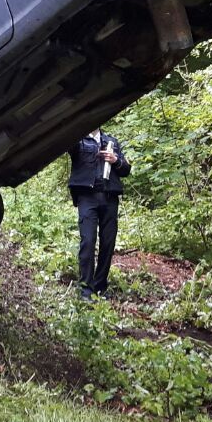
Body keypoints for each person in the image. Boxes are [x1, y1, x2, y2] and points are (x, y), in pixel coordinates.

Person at [66, 128, 131, 298]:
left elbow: (126, 169)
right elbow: (69, 148)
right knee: (88, 241)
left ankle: (100, 287)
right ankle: (86, 290)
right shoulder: (78, 141)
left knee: (108, 243)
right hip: (87, 198)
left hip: (110, 198)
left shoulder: (112, 141)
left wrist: (116, 160)